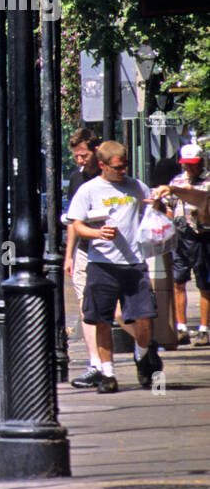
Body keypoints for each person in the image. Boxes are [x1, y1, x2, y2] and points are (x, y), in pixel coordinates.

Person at [65, 140, 167, 393]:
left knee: (145, 318)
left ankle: (142, 355)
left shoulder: (135, 185)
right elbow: (76, 224)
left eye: (125, 167)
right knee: (101, 320)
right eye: (117, 167)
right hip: (102, 264)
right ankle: (107, 374)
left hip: (133, 263)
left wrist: (157, 203)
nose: (123, 171)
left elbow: (156, 206)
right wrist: (97, 234)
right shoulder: (89, 190)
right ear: (103, 165)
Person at [63, 128, 104, 387]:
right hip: (83, 250)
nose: (80, 160)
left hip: (110, 250)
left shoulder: (108, 175)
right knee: (85, 305)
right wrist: (68, 255)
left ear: (95, 151)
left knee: (118, 310)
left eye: (84, 155)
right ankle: (95, 364)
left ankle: (144, 348)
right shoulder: (75, 180)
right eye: (77, 156)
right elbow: (72, 220)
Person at [163, 143, 210, 347]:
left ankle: (204, 328)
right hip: (181, 237)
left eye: (193, 165)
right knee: (178, 281)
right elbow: (168, 206)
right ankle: (181, 327)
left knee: (204, 283)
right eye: (186, 165)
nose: (189, 169)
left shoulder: (208, 181)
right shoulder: (177, 181)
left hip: (203, 237)